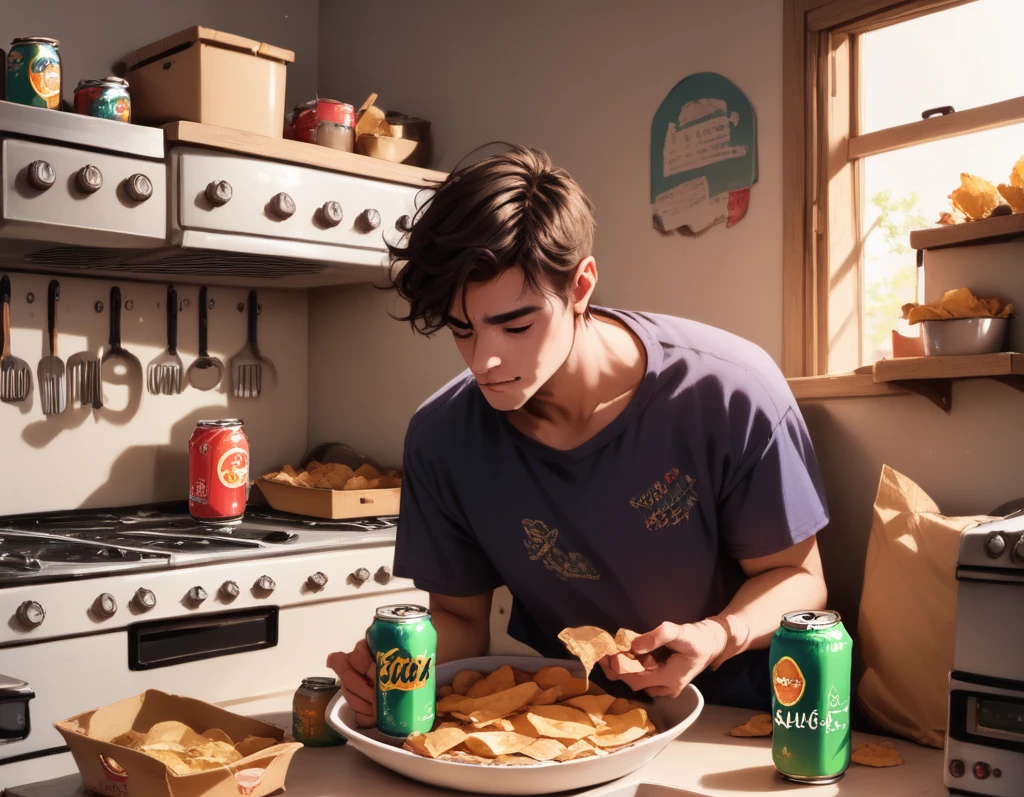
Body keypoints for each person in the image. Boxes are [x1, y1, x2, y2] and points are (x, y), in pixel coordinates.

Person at [327, 146, 828, 726]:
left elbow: (799, 580)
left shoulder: (729, 391)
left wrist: (719, 635)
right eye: (461, 329)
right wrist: (392, 665)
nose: (484, 360)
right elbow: (460, 620)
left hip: (750, 719)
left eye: (515, 325)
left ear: (580, 285)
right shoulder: (442, 436)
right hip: (578, 722)